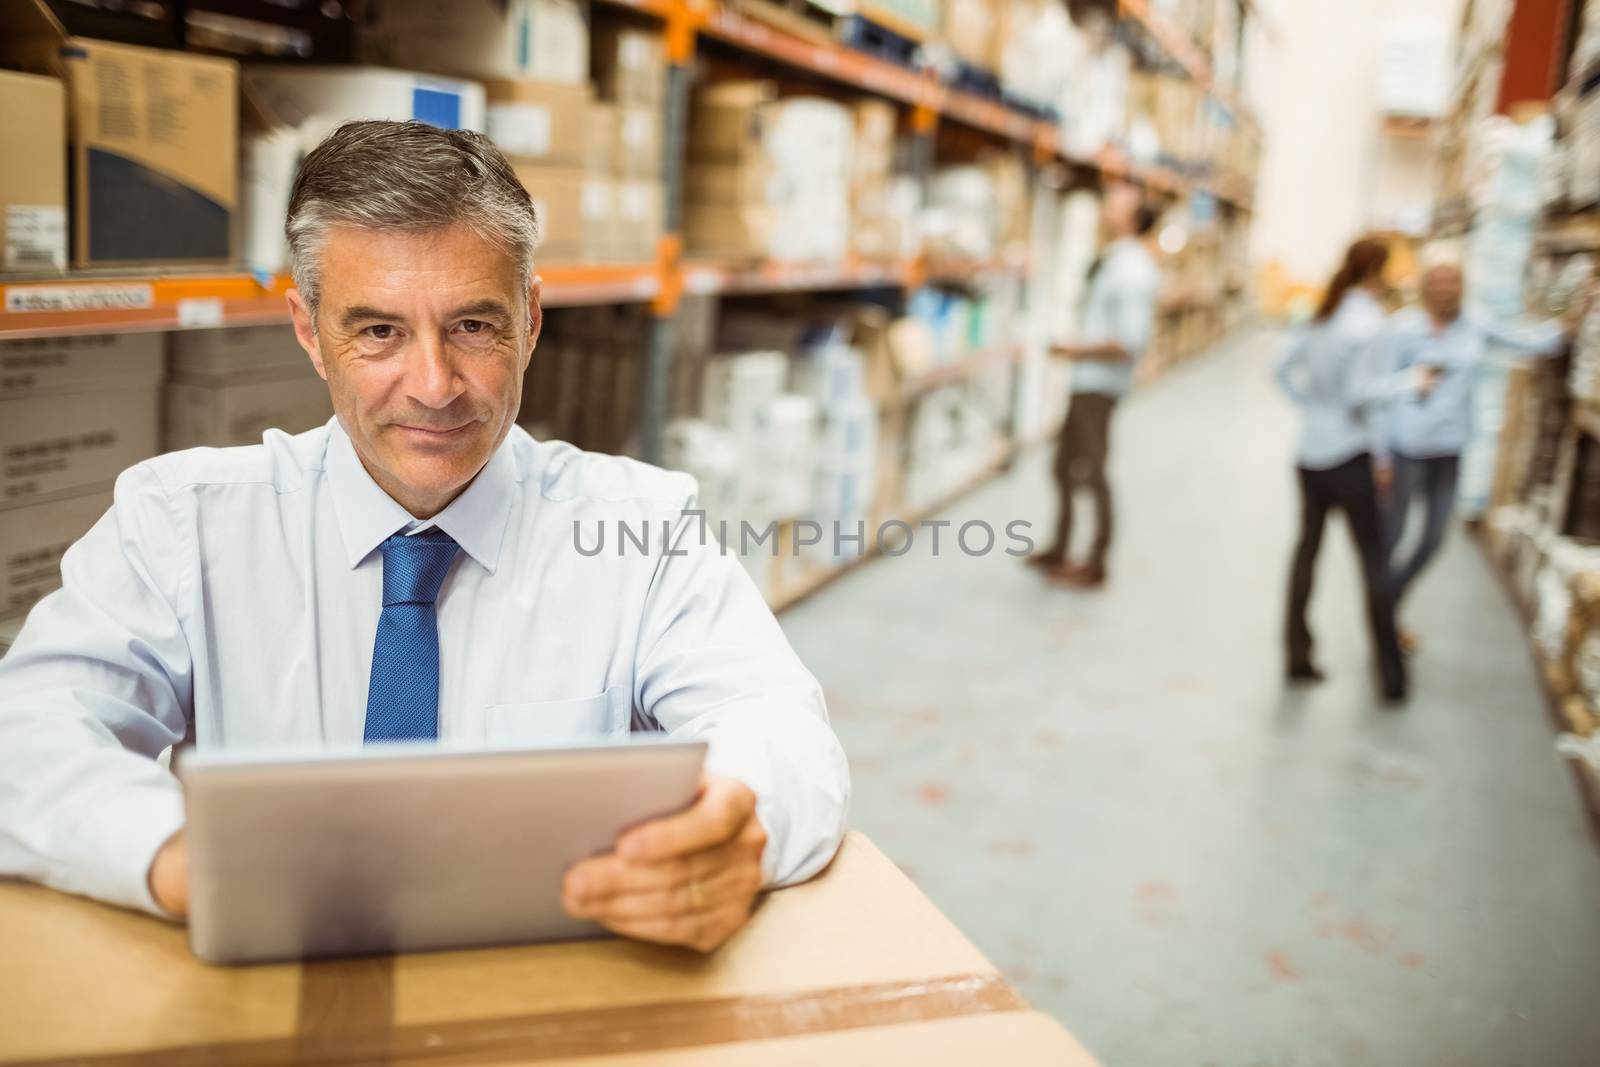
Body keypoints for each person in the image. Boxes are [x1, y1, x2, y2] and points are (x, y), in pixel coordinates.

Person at [0, 121, 849, 953]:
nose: (434, 386)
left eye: (474, 326)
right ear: (308, 331)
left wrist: (735, 826)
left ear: (532, 318)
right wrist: (179, 857)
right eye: (379, 331)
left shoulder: (644, 529)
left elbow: (778, 726)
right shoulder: (182, 524)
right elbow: (27, 733)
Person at [1380, 263, 1580, 630]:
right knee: (1390, 534)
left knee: (1434, 539)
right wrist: (1382, 454)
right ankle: (1384, 615)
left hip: (1449, 447)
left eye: (1453, 281)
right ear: (1426, 287)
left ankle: (1387, 600)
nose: (1446, 289)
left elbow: (1524, 340)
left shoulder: (1474, 324)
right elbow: (1380, 389)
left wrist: (1567, 326)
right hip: (1407, 446)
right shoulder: (1404, 329)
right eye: (1438, 281)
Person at [1275, 237, 1407, 702]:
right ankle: (1391, 672)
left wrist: (1313, 408)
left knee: (1305, 553)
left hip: (1310, 452)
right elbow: (1361, 396)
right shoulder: (1371, 323)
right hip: (1351, 454)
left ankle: (1296, 655)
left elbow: (1280, 369)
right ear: (1379, 270)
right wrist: (1409, 384)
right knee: (1373, 560)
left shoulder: (1323, 313)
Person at [1030, 184, 1162, 589]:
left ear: (1132, 216)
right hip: (1086, 381)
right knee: (1062, 467)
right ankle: (1061, 546)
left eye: (1117, 203)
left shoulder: (1132, 269)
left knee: (1093, 470)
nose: (1106, 207)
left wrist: (1075, 349)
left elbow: (1129, 342)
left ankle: (1096, 562)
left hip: (1099, 386)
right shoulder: (1115, 260)